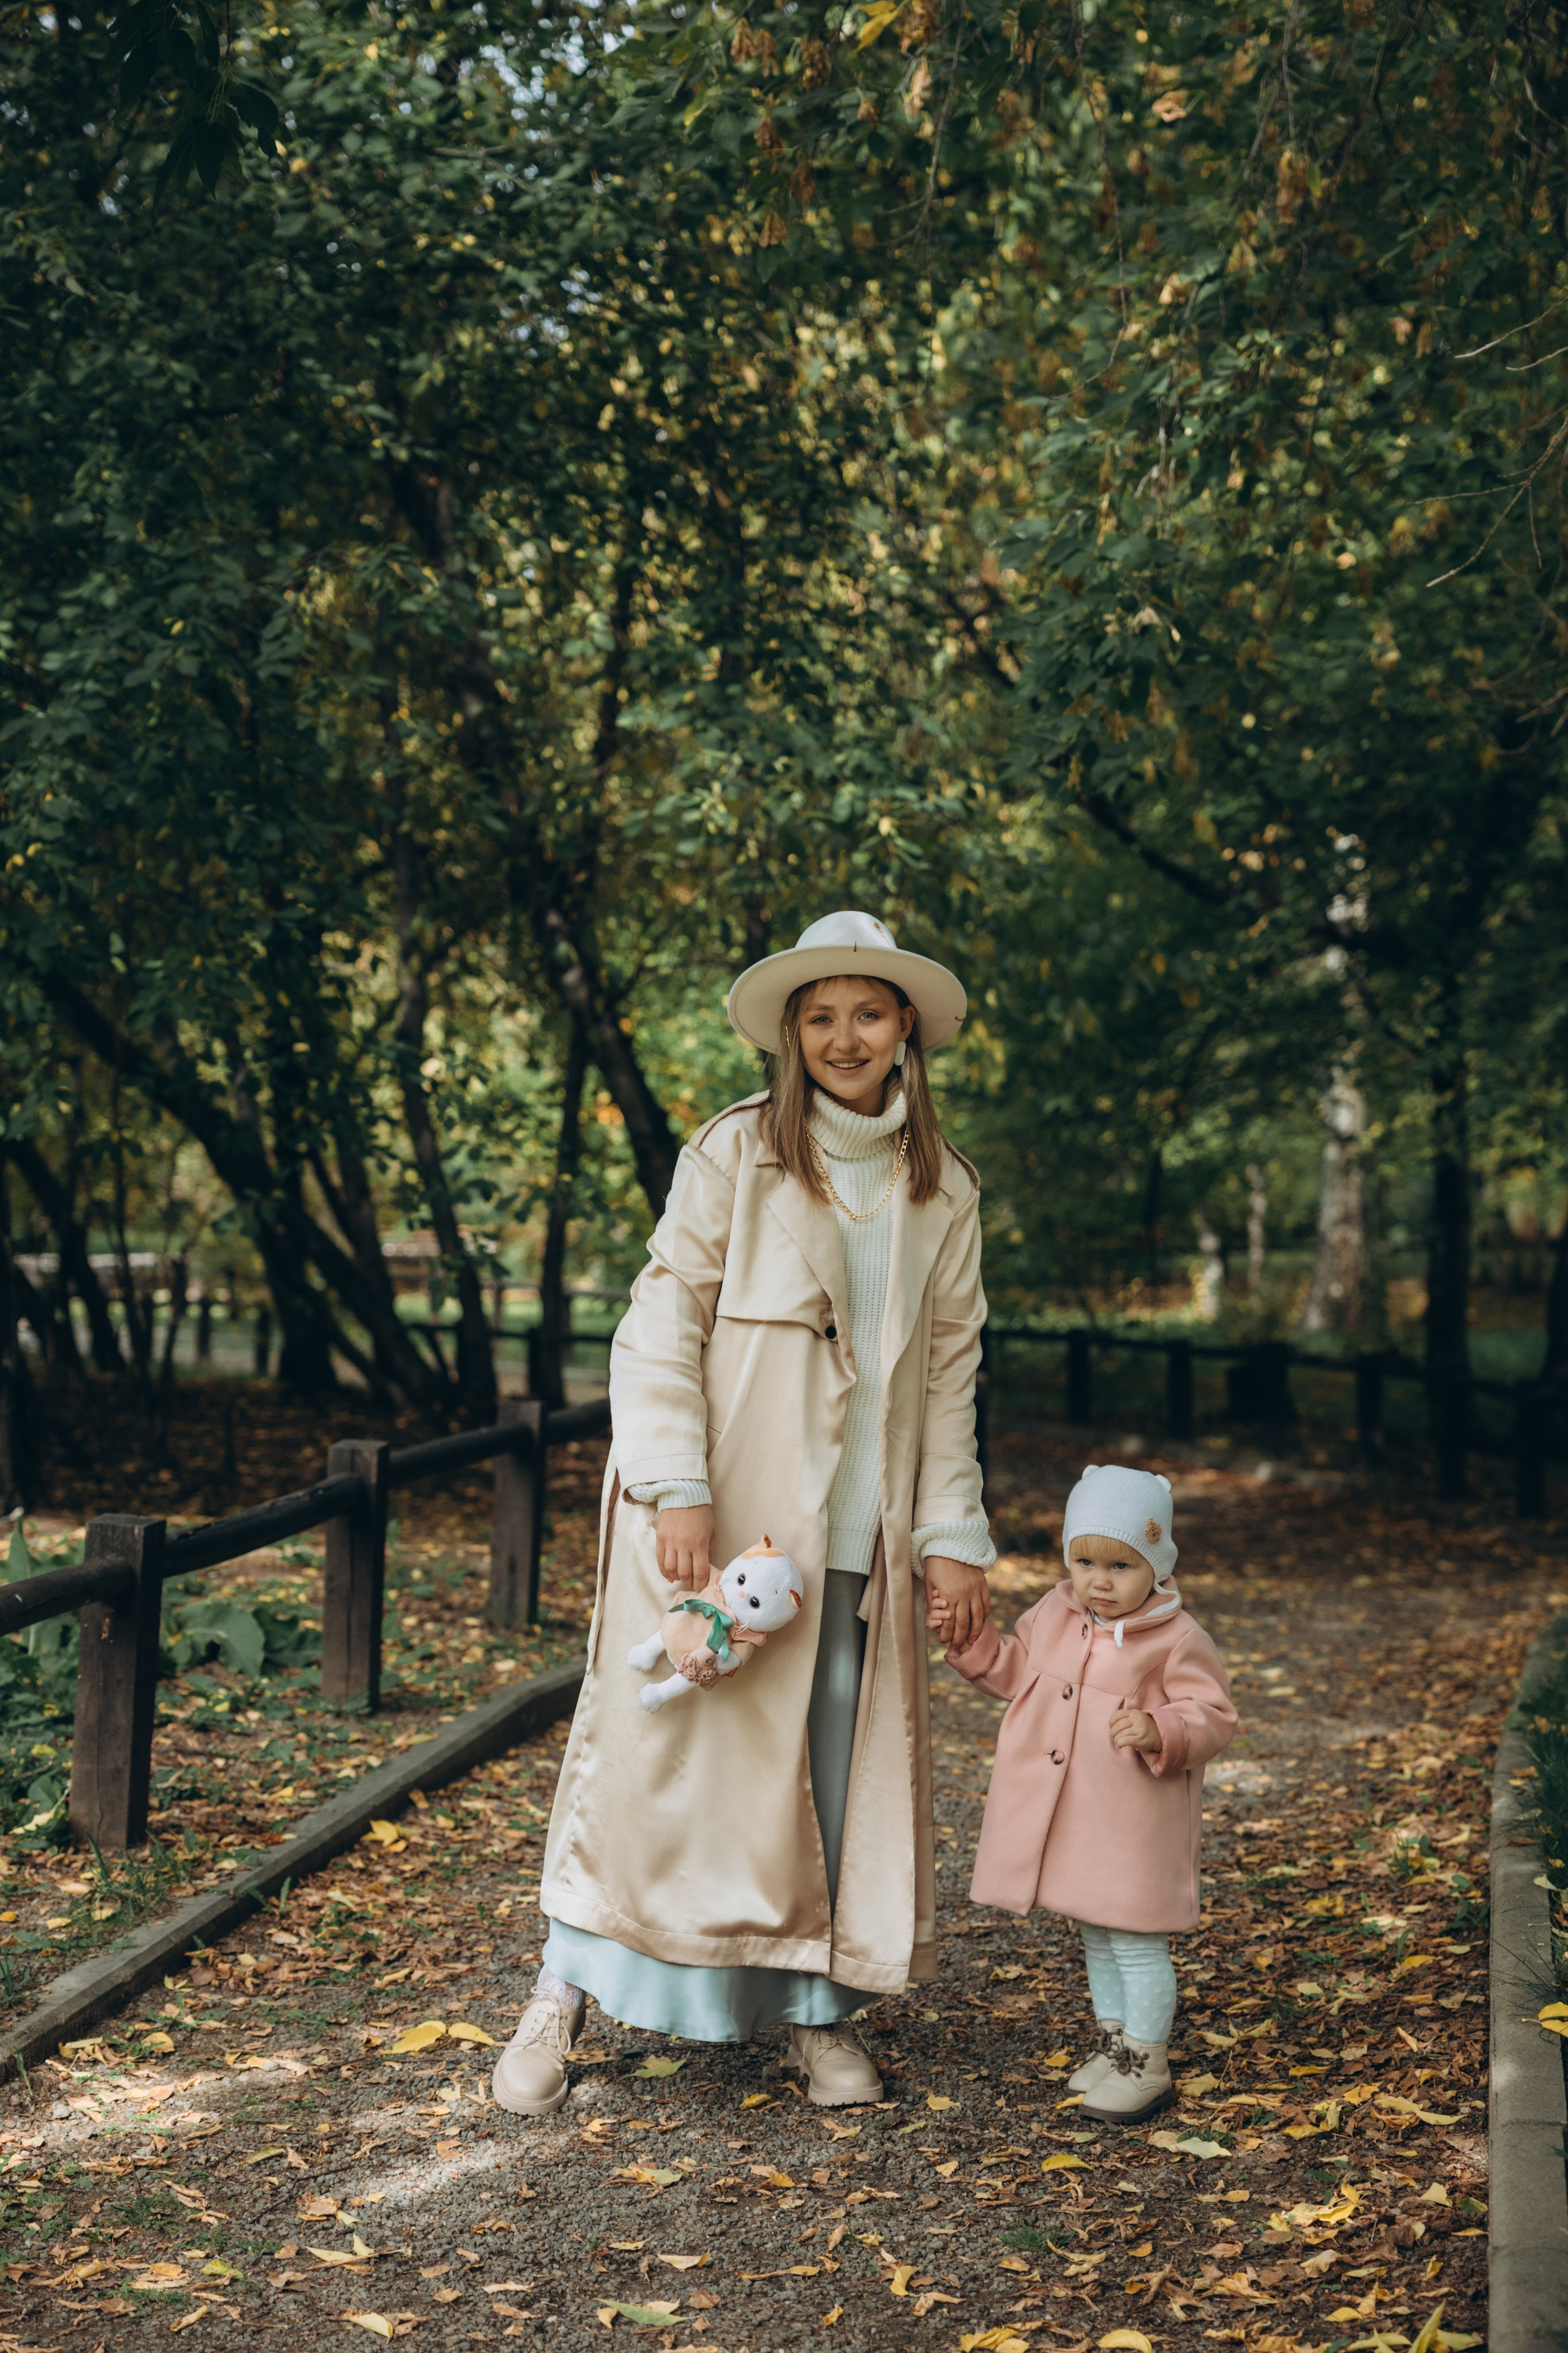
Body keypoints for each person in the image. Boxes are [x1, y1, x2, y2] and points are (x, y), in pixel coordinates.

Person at [492, 909, 997, 2113]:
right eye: (817, 1015)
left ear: (904, 1026)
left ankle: (810, 2010)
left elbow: (949, 1378)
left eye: (865, 1012)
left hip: (852, 1535)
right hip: (718, 1523)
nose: (842, 1035)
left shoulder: (947, 1194)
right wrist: (676, 1482)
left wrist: (948, 1538)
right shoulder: (735, 1156)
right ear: (788, 1033)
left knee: (817, 1779)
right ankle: (560, 1995)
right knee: (659, 1758)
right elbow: (659, 1321)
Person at [934, 1463, 1235, 2123]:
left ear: (1155, 1566)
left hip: (1131, 1823)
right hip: (1077, 1816)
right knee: (1095, 1932)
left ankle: (1147, 2060)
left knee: (1134, 1939)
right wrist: (970, 1643)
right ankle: (1114, 2044)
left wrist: (1160, 1728)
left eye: (1120, 1566)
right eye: (1084, 1560)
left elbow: (1214, 1715)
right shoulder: (1056, 1612)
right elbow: (1018, 1671)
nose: (1099, 1581)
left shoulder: (1176, 1638)